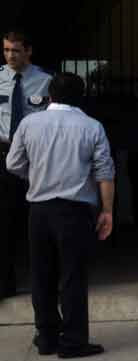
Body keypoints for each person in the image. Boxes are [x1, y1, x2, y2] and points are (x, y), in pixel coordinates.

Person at [6, 72, 115, 358]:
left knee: (41, 275)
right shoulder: (92, 126)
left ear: (50, 95)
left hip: (39, 211)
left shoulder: (30, 123)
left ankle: (47, 338)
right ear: (82, 97)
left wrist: (38, 176)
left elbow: (13, 163)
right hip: (75, 211)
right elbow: (104, 172)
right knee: (73, 277)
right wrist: (107, 210)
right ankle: (74, 341)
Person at [0, 30, 52, 300]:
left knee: (36, 219)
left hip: (34, 158)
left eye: (16, 51)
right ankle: (4, 283)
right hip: (2, 153)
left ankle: (42, 283)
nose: (10, 56)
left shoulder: (45, 82)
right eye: (7, 50)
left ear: (28, 51)